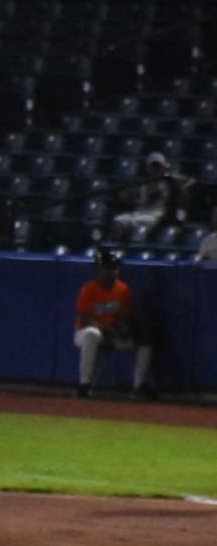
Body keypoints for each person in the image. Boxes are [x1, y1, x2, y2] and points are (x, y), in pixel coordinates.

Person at [73, 248, 154, 399]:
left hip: (112, 335)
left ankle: (139, 386)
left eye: (113, 268)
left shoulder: (123, 290)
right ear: (99, 269)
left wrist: (124, 330)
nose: (110, 271)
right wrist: (104, 329)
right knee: (92, 334)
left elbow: (124, 317)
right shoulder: (89, 289)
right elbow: (83, 320)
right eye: (106, 268)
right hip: (85, 334)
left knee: (146, 338)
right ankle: (84, 386)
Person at [112, 152, 195, 237]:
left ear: (163, 167)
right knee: (118, 220)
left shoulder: (170, 180)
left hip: (157, 216)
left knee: (140, 228)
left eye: (158, 166)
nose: (156, 169)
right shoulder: (143, 182)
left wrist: (183, 188)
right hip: (140, 213)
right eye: (153, 166)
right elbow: (125, 195)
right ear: (148, 167)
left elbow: (191, 181)